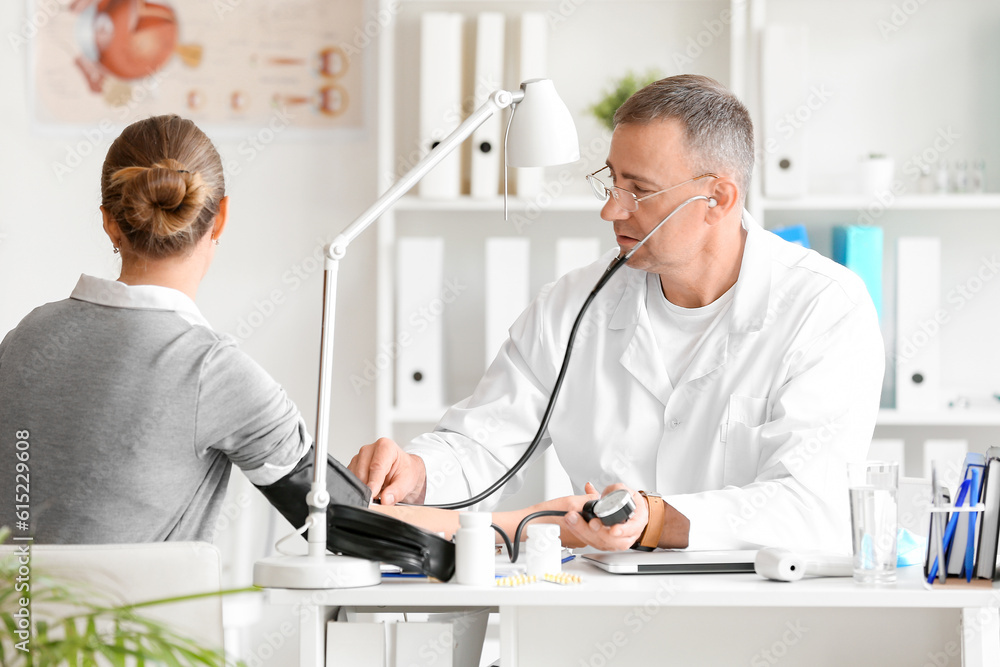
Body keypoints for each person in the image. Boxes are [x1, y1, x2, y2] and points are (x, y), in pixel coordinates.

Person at [349, 75, 886, 554]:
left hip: (755, 615)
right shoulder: (573, 304)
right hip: (598, 611)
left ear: (718, 198)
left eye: (640, 191)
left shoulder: (824, 308)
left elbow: (810, 503)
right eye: (612, 181)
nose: (611, 209)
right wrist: (417, 474)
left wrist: (651, 521)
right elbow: (484, 443)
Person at [0, 114, 582, 552]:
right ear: (220, 217)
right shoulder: (212, 371)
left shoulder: (23, 340)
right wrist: (536, 523)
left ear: (107, 219)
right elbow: (351, 530)